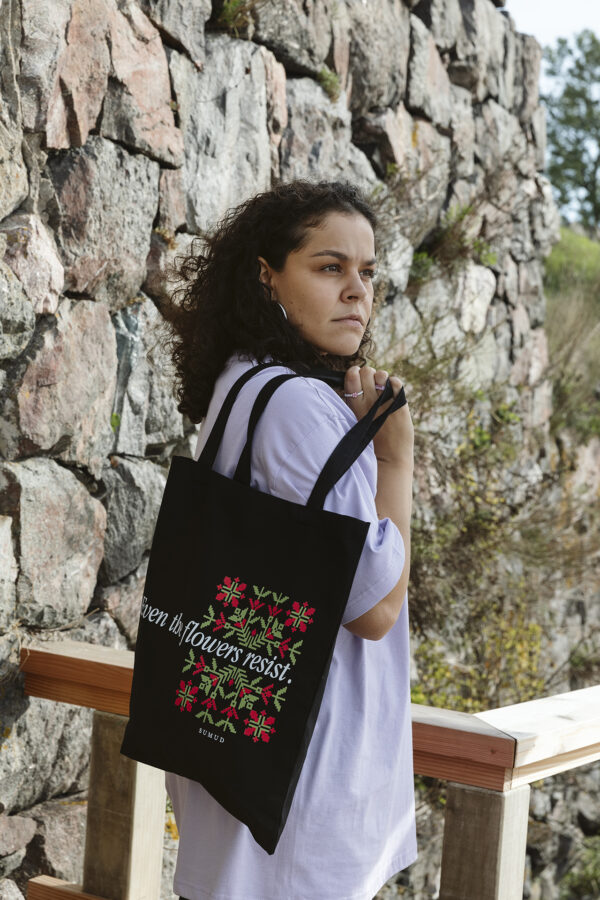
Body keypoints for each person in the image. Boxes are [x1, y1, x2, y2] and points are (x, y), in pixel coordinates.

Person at [160, 180, 416, 900]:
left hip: (240, 742)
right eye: (329, 267)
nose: (356, 292)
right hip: (303, 790)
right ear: (267, 274)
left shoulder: (242, 383)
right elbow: (373, 611)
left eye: (367, 273)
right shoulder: (302, 405)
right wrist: (395, 456)